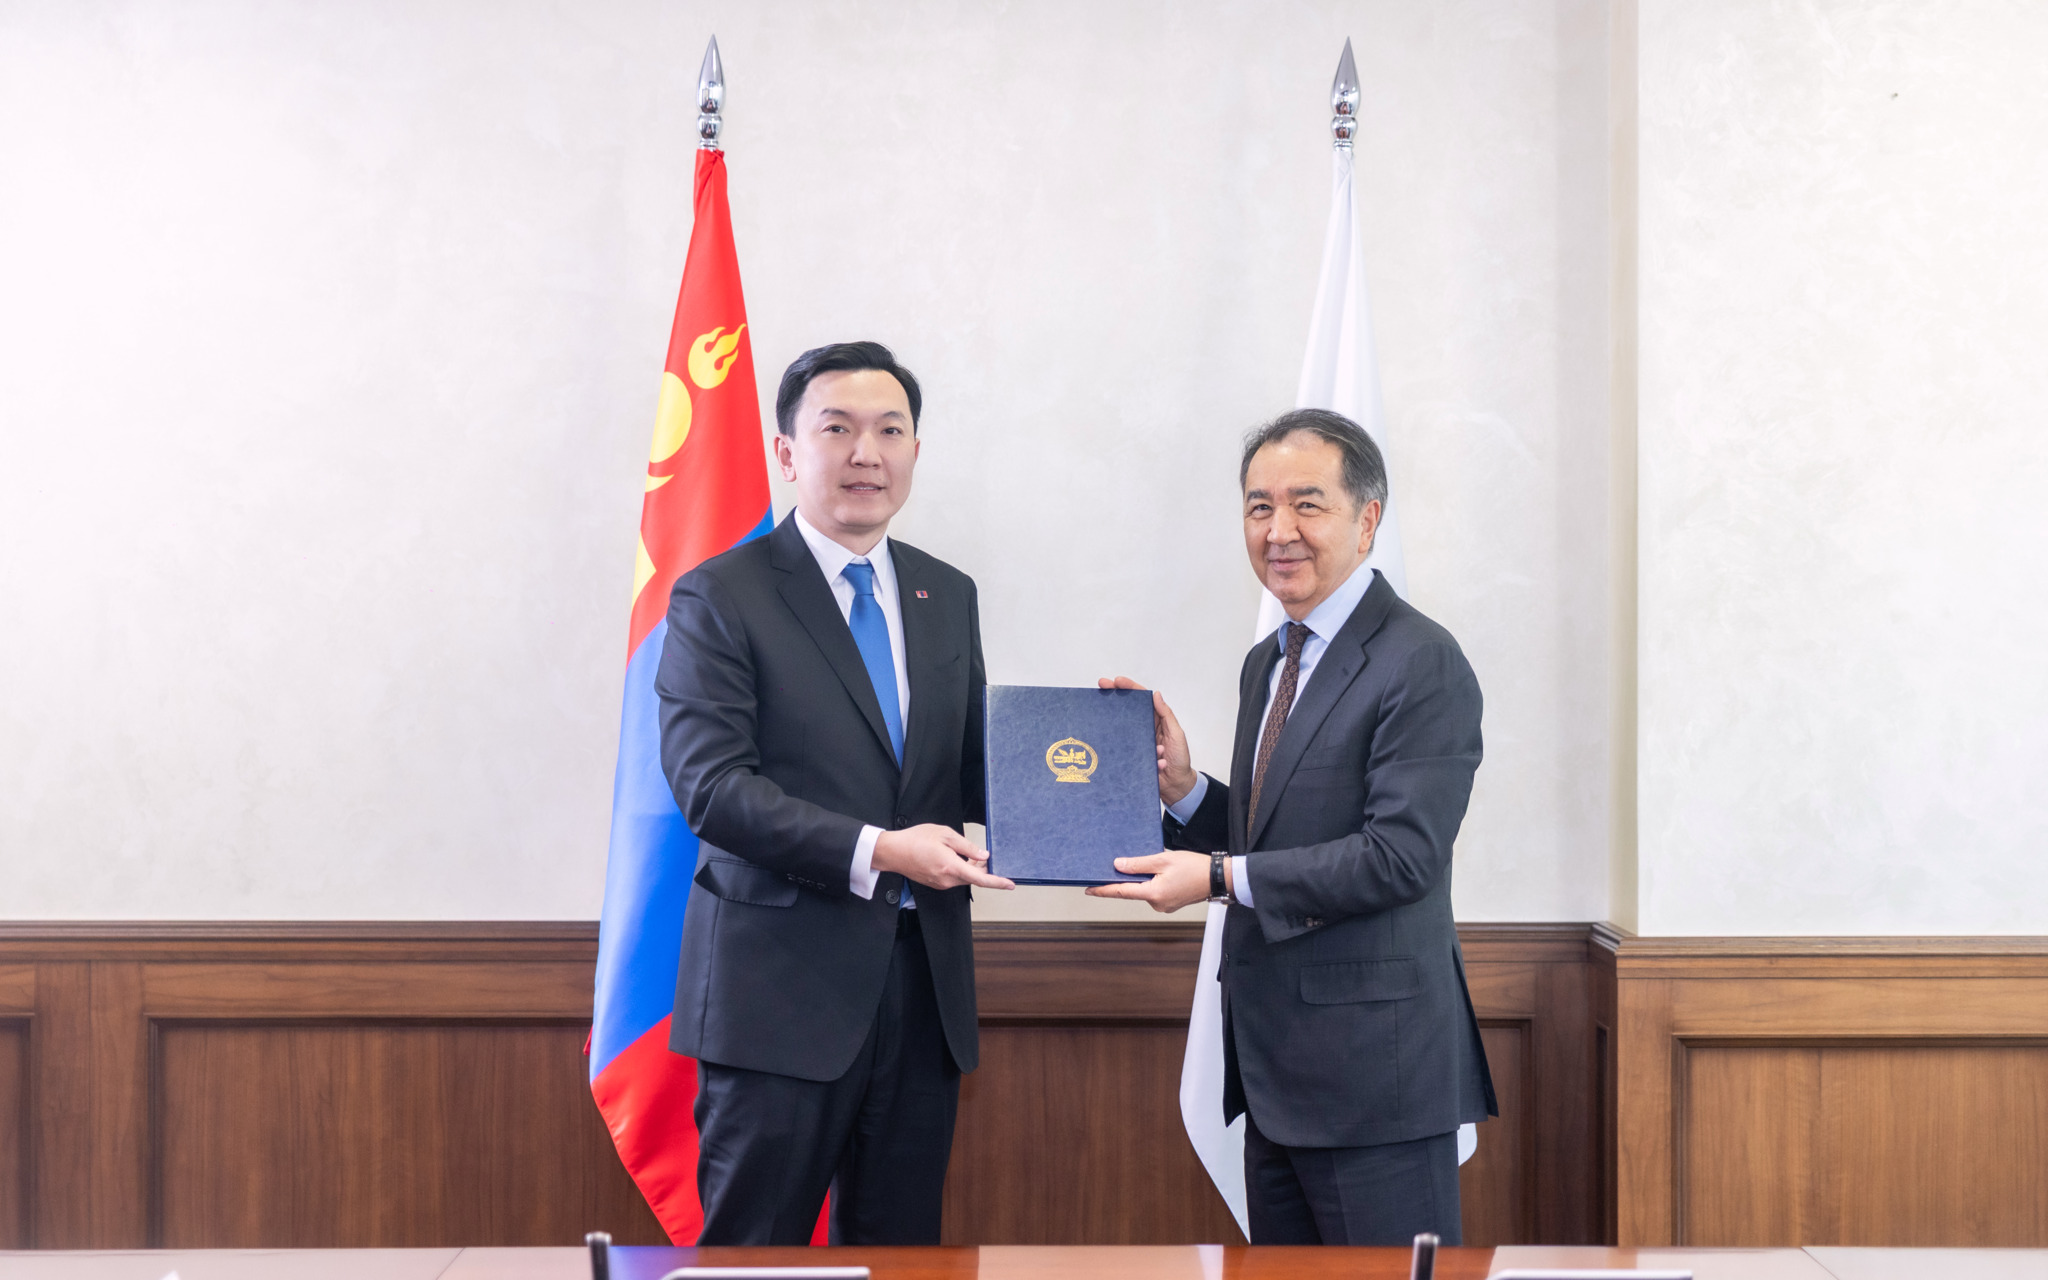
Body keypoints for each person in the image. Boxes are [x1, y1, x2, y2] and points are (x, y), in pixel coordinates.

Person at [1089, 407, 1495, 1246]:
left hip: (1375, 1082)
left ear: (1367, 520)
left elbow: (1400, 857)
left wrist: (1215, 877)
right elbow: (1270, 837)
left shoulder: (1422, 660)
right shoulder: (1270, 660)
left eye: (1307, 504)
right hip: (1274, 1075)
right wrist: (1183, 792)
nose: (1279, 531)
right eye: (1258, 507)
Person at [655, 340, 1013, 1245]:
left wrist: (1113, 769)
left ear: (915, 452)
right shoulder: (720, 596)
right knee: (753, 1258)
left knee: (903, 1257)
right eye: (838, 429)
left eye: (890, 431)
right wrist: (881, 851)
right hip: (776, 999)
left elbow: (971, 771)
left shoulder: (946, 593)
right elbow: (712, 789)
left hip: (922, 993)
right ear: (787, 451)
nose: (867, 454)